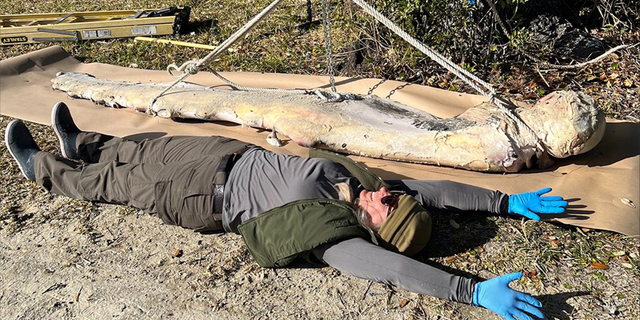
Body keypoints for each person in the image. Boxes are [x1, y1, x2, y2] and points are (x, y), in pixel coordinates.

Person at [5, 102, 568, 320]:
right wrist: (506, 202)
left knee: (120, 184)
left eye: (388, 208)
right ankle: (84, 142)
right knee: (145, 146)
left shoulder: (338, 239)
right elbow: (433, 189)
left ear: (374, 230)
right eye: (393, 197)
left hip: (202, 197)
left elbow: (396, 270)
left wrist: (470, 292)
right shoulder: (365, 186)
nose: (389, 195)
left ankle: (45, 171)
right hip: (224, 154)